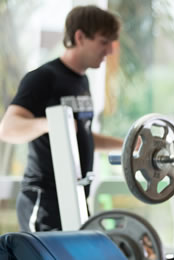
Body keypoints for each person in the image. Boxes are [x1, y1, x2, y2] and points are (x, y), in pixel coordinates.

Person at [0, 5, 123, 232]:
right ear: (80, 37)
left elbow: (82, 135)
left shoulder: (81, 81)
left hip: (75, 197)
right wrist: (53, 124)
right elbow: (8, 128)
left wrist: (126, 146)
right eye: (103, 41)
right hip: (45, 200)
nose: (109, 51)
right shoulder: (43, 78)